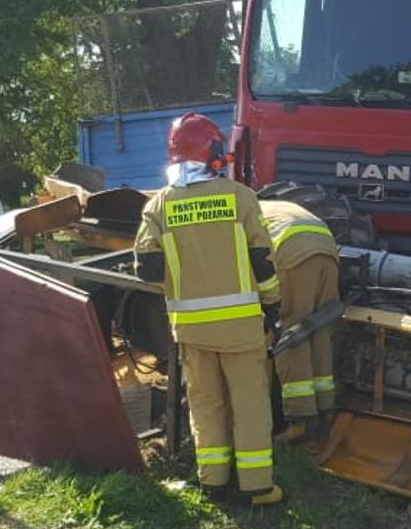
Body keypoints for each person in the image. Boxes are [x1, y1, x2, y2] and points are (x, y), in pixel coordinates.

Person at [133, 113, 284, 506]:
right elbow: (262, 263)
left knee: (205, 404)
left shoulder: (161, 204)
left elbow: (146, 268)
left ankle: (212, 483)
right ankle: (257, 488)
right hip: (242, 329)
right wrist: (271, 306)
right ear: (214, 153)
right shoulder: (240, 197)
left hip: (191, 330)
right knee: (249, 405)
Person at [259, 199, 341, 442]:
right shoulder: (265, 204)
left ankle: (300, 423)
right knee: (318, 329)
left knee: (290, 333)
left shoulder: (233, 215)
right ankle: (325, 410)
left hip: (292, 251)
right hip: (326, 248)